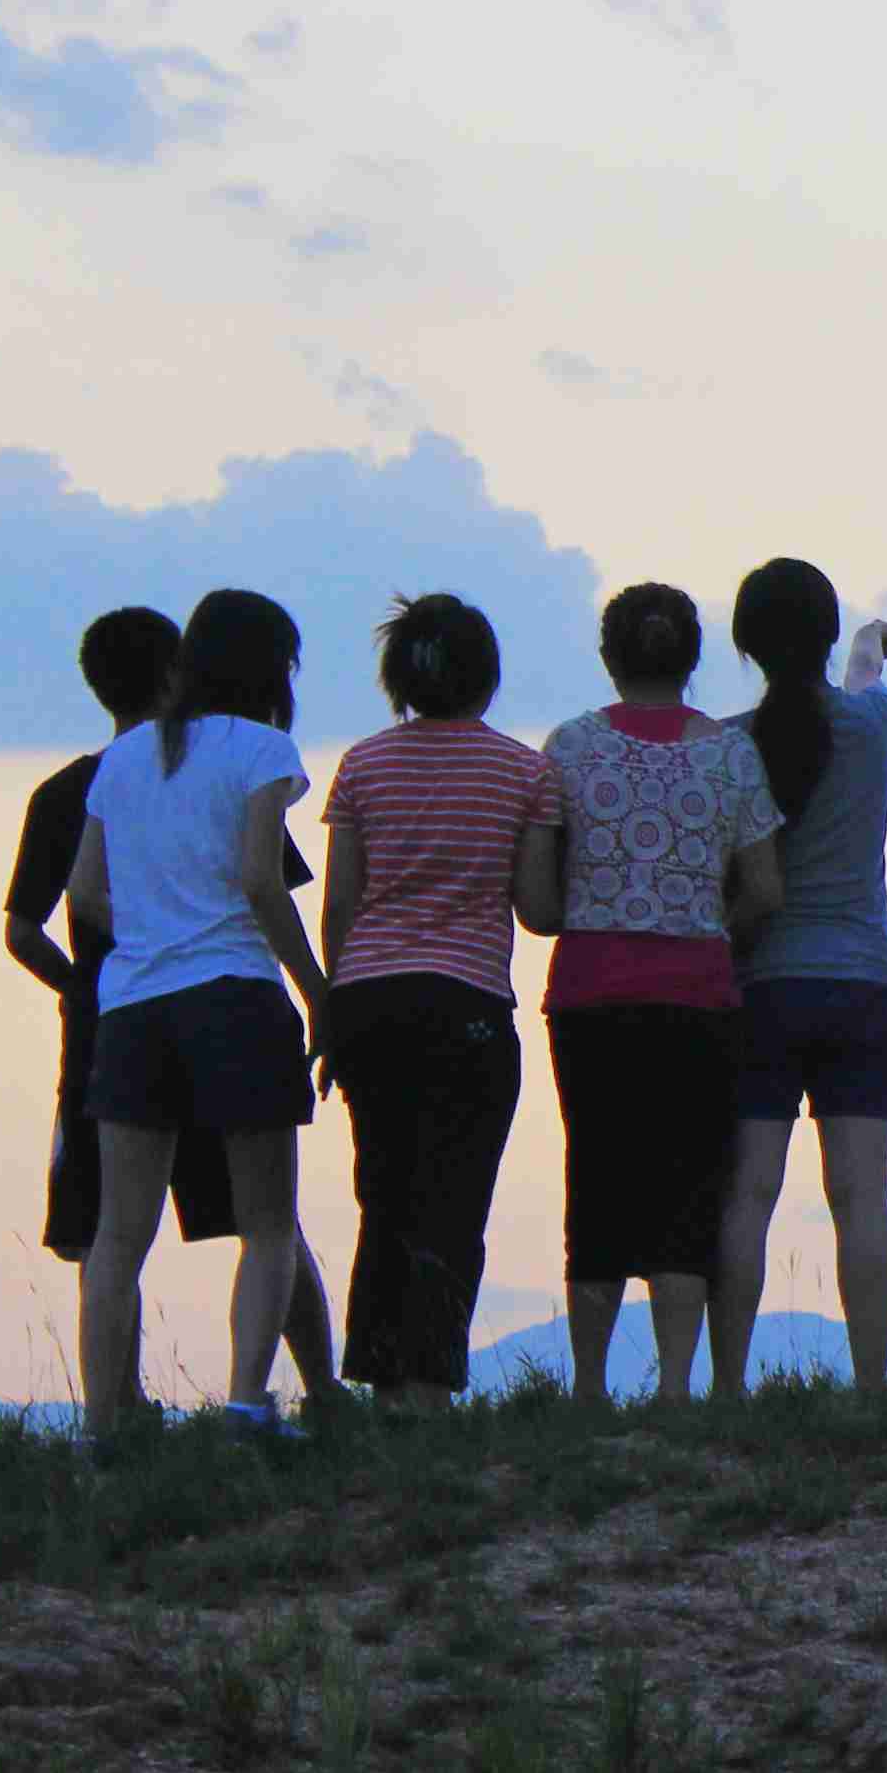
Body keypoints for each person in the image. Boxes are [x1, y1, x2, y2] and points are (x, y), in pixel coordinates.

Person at [8, 604, 332, 1404]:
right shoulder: (254, 751)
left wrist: (138, 942)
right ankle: (269, 1398)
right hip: (232, 1000)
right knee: (268, 1223)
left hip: (126, 1015)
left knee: (115, 1235)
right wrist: (317, 990)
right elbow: (264, 881)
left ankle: (107, 1421)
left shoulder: (105, 771)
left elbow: (78, 896)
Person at [531, 581, 782, 1406]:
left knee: (597, 1178)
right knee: (689, 1186)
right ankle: (677, 1385)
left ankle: (590, 1387)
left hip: (590, 991)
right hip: (699, 993)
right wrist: (710, 924)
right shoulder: (729, 754)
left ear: (609, 657)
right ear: (694, 657)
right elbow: (765, 889)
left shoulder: (569, 747)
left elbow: (538, 902)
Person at [318, 593, 567, 1411]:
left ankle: (382, 1382)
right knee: (452, 1203)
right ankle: (430, 1389)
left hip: (369, 1002)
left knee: (383, 1196)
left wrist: (332, 1007)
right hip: (467, 1005)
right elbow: (537, 910)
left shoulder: (361, 766)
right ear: (488, 678)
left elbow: (341, 906)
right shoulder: (526, 773)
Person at [713, 559, 887, 1396]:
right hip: (867, 985)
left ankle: (727, 1386)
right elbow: (863, 682)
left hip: (763, 987)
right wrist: (869, 641)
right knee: (862, 1196)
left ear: (746, 645)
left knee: (748, 1194)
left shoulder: (727, 745)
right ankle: (871, 1389)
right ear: (827, 636)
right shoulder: (875, 725)